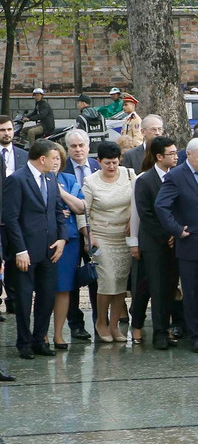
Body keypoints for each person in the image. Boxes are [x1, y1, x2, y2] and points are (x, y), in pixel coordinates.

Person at [155, 137, 198, 353]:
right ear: (190, 156)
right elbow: (161, 206)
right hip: (191, 243)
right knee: (192, 293)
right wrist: (177, 230)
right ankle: (196, 335)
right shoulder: (176, 176)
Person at [2, 139, 67, 358]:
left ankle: (40, 340)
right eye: (53, 158)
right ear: (42, 159)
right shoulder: (17, 180)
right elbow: (10, 218)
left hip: (50, 249)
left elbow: (58, 210)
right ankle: (24, 342)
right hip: (26, 252)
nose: (56, 162)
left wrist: (62, 239)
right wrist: (20, 250)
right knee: (23, 297)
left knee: (47, 296)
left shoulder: (50, 178)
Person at [130, 136, 180, 349]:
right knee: (156, 288)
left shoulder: (176, 177)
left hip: (174, 243)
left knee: (170, 287)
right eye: (171, 154)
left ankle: (168, 328)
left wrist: (175, 232)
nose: (176, 157)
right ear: (159, 156)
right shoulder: (145, 180)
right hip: (153, 243)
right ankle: (158, 332)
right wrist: (165, 234)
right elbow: (146, 214)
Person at [82, 141, 135, 343]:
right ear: (99, 162)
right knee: (107, 281)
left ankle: (115, 325)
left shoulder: (129, 175)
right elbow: (82, 210)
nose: (111, 167)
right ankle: (101, 322)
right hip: (101, 236)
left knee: (121, 282)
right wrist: (88, 235)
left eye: (114, 162)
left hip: (125, 237)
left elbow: (138, 200)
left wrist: (133, 221)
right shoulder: (90, 181)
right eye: (107, 163)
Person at [62, 129, 99, 341]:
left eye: (81, 145)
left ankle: (98, 322)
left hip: (96, 233)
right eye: (73, 146)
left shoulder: (96, 166)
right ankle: (75, 324)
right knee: (72, 280)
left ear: (88, 147)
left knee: (95, 278)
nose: (77, 149)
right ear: (68, 149)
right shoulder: (62, 168)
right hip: (70, 235)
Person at [50, 144, 87, 349]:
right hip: (44, 240)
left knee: (64, 288)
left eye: (58, 158)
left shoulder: (69, 180)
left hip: (70, 240)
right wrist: (56, 214)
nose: (55, 162)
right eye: (51, 158)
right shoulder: (31, 181)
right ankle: (41, 333)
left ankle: (58, 334)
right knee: (44, 288)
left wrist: (61, 193)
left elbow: (79, 207)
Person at [0, 115, 29, 317]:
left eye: (9, 129)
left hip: (16, 217)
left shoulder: (23, 156)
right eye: (2, 130)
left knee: (14, 260)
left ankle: (13, 300)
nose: (7, 133)